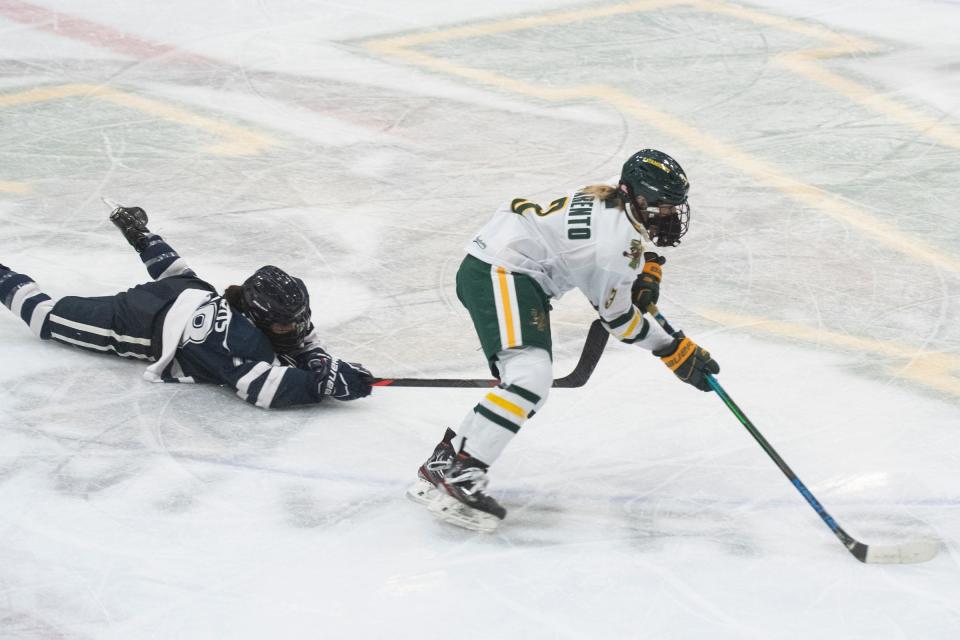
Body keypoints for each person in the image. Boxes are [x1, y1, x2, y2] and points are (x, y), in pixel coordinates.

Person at [407, 149, 720, 531]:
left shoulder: (607, 198)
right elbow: (619, 319)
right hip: (501, 272)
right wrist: (671, 349)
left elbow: (599, 263)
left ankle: (449, 458)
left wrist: (636, 278)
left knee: (528, 383)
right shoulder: (615, 248)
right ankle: (460, 471)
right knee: (528, 378)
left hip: (506, 268)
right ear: (637, 197)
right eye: (665, 207)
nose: (671, 216)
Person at [0, 204, 373, 408]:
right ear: (259, 318)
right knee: (44, 318)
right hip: (138, 321)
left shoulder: (243, 309)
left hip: (189, 293)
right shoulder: (240, 343)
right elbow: (261, 389)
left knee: (179, 273)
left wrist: (319, 361)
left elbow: (176, 271)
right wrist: (318, 384)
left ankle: (139, 233)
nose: (295, 330)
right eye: (284, 326)